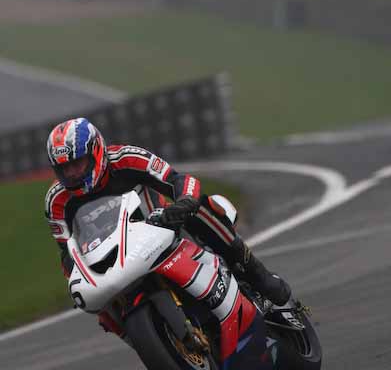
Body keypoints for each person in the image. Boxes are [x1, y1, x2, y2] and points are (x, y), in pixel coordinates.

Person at [45, 118, 291, 323]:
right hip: (114, 257)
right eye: (64, 169)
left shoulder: (126, 158)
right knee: (101, 309)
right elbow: (67, 251)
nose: (72, 173)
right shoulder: (56, 201)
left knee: (200, 207)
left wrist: (184, 201)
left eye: (77, 164)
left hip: (162, 226)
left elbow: (177, 179)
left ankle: (257, 274)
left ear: (96, 152)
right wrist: (78, 281)